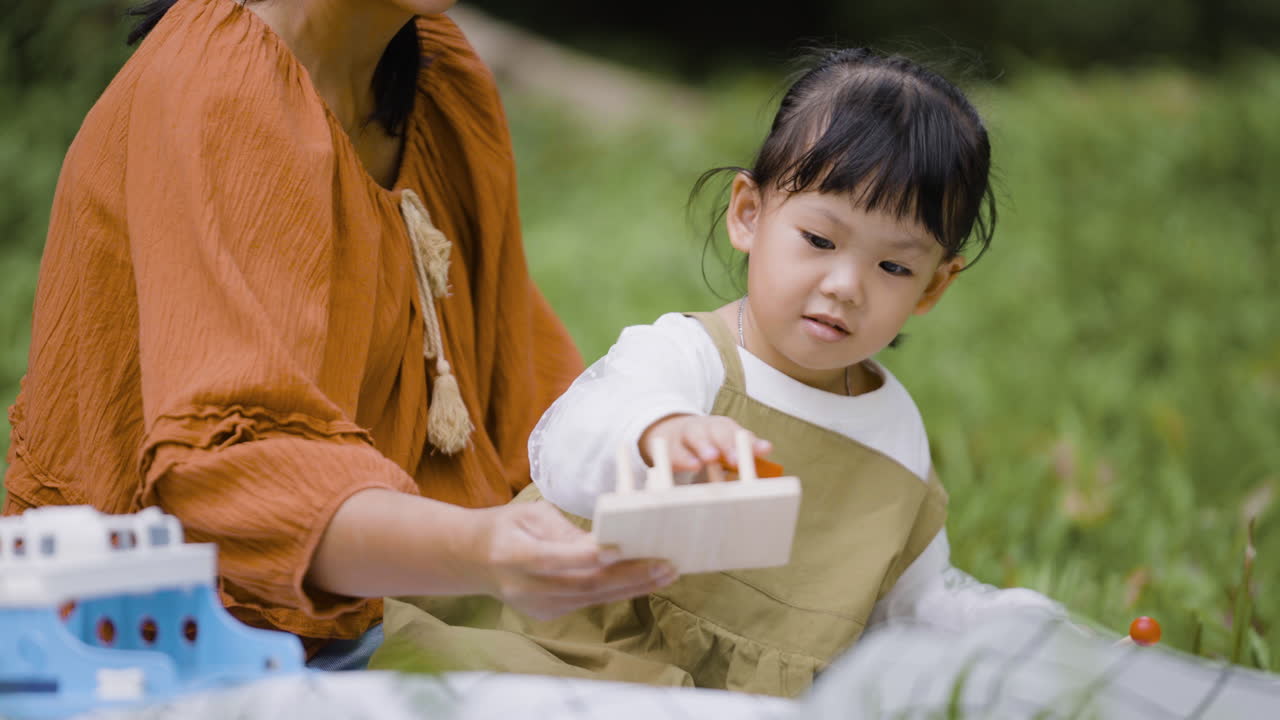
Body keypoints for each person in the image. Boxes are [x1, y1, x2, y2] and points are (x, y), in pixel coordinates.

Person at [1, 0, 677, 670]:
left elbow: (516, 388)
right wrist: (482, 548)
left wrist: (654, 442)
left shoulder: (438, 74)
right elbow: (226, 478)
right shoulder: (220, 81)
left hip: (396, 605)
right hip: (167, 643)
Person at [377, 47, 1060, 695]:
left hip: (736, 699)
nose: (846, 284)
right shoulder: (689, 358)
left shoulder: (894, 431)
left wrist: (1015, 629)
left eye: (894, 267)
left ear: (934, 288)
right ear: (749, 215)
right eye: (819, 241)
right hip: (571, 652)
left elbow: (908, 601)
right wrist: (659, 432)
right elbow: (569, 449)